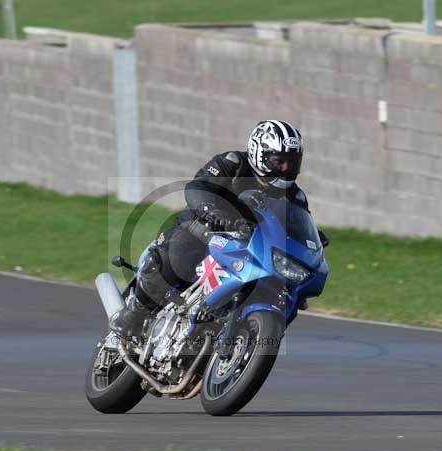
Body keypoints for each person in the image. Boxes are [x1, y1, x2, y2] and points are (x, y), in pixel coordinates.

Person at [111, 119, 311, 338]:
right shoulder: (233, 163)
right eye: (279, 161)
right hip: (206, 228)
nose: (285, 169)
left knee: (286, 293)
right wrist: (210, 209)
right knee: (181, 248)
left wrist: (311, 246)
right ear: (259, 153)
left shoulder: (295, 196)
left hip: (249, 247)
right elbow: (199, 185)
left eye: (292, 163)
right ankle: (136, 312)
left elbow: (299, 226)